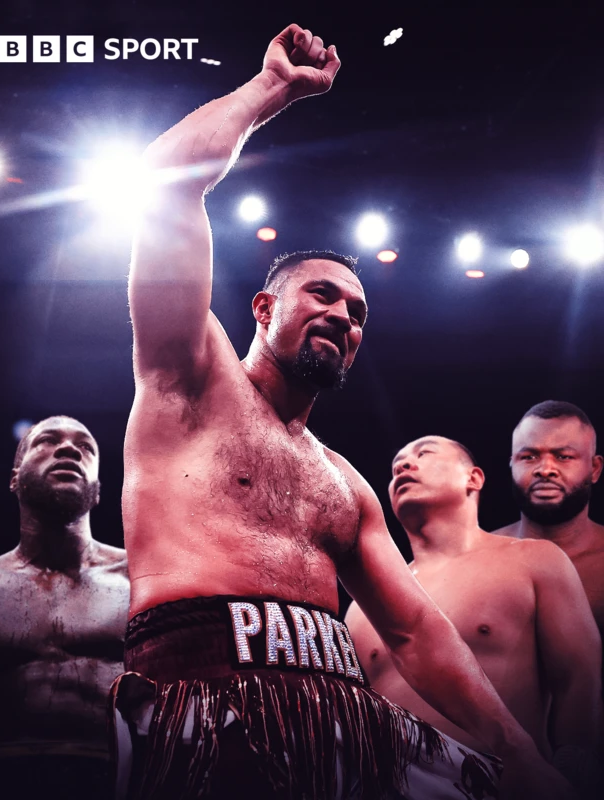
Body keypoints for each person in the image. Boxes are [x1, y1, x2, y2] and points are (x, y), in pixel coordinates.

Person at [112, 23, 574, 800]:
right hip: (205, 700)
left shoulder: (345, 484)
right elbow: (165, 184)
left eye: (357, 313)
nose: (342, 316)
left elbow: (415, 630)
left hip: (340, 724)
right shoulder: (189, 376)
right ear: (263, 307)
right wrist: (274, 89)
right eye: (321, 294)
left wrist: (520, 750)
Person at [346, 435, 602, 796]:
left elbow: (578, 678)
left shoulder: (533, 560)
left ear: (474, 478)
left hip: (505, 780)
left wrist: (573, 776)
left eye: (425, 453)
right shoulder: (362, 607)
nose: (403, 466)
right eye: (395, 466)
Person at [0, 415, 129, 800]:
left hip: (118, 779)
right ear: (14, 477)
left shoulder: (139, 582)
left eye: (86, 447)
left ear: (98, 489)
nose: (70, 449)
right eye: (47, 441)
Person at [493, 401, 604, 651]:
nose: (545, 470)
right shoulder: (479, 558)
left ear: (594, 469)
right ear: (512, 464)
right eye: (529, 457)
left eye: (563, 456)